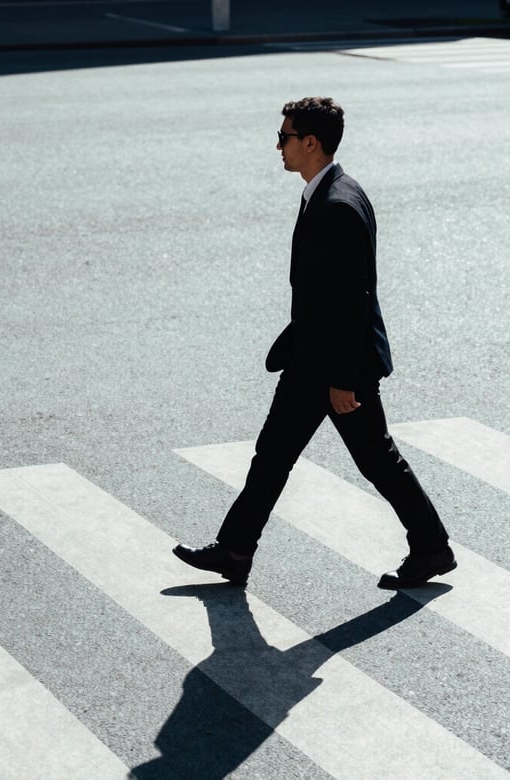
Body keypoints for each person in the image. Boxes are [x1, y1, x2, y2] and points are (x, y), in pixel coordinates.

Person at [173, 96, 455, 589]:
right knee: (273, 455)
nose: (278, 146)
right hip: (312, 360)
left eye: (284, 137)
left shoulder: (338, 205)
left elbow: (352, 299)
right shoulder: (328, 192)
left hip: (339, 368)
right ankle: (235, 550)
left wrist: (344, 380)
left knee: (376, 460)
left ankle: (432, 547)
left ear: (310, 143)